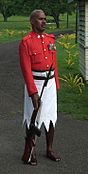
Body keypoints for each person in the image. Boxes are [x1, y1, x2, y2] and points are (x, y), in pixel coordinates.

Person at [19, 9, 61, 166]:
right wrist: (32, 92)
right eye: (40, 19)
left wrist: (55, 84)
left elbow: (53, 64)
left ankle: (49, 149)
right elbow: (26, 69)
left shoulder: (50, 39)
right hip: (35, 83)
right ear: (32, 21)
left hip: (49, 84)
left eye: (45, 19)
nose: (44, 21)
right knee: (33, 117)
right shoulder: (26, 42)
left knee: (51, 117)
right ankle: (31, 151)